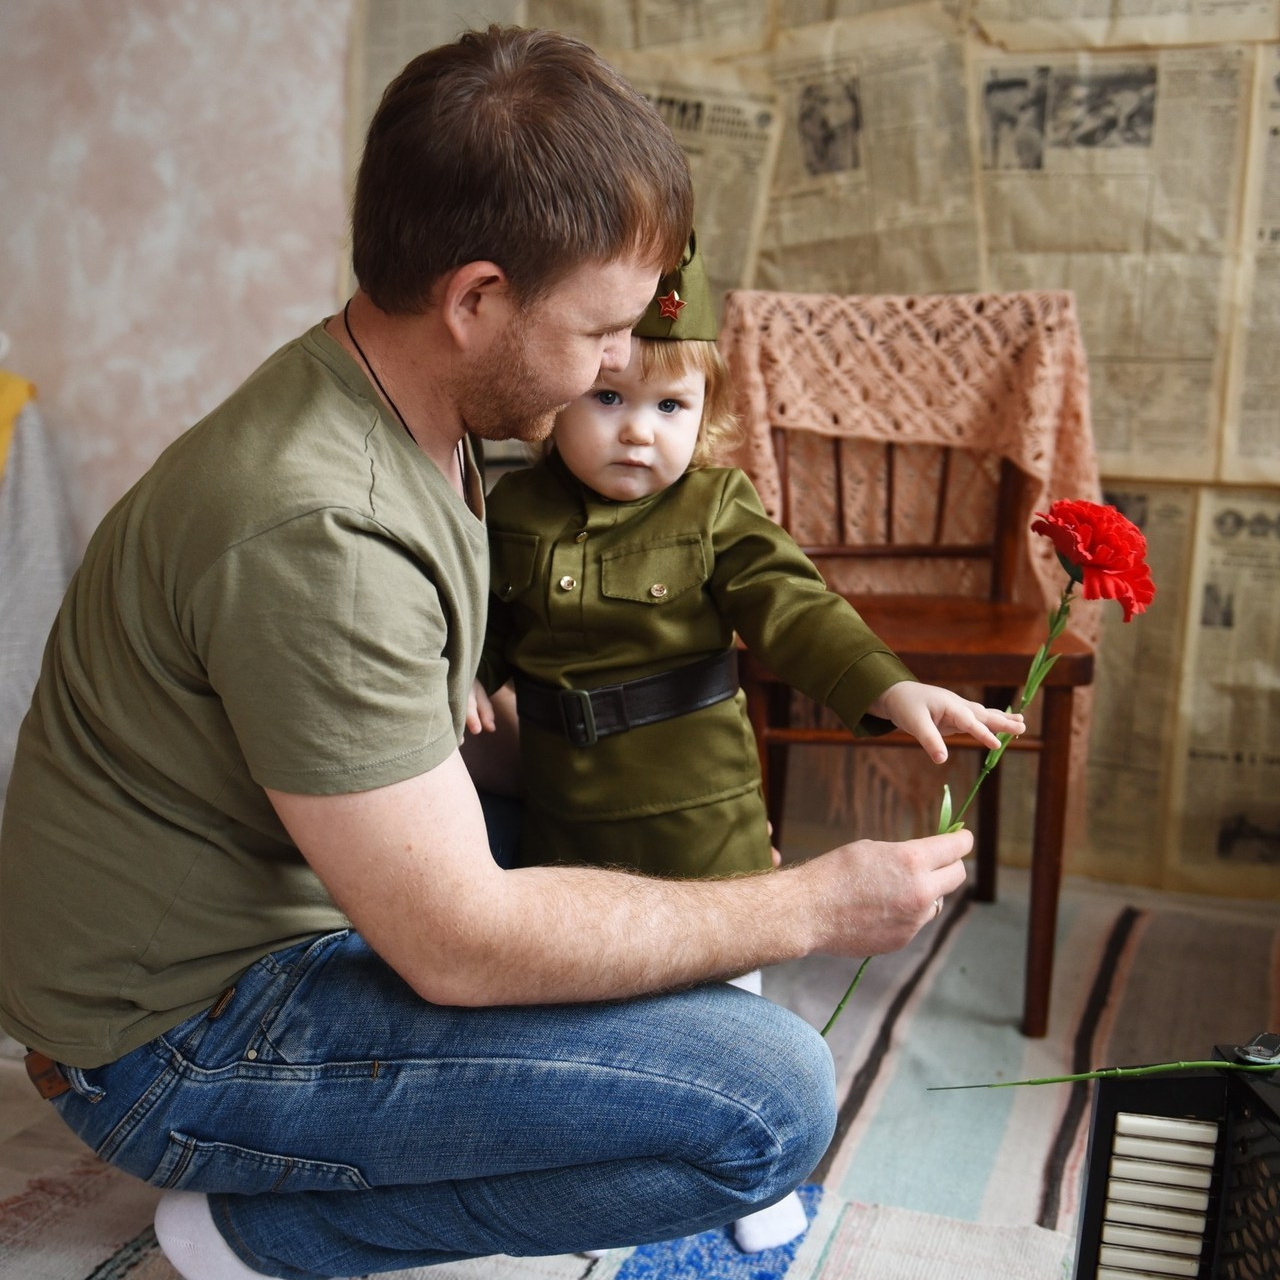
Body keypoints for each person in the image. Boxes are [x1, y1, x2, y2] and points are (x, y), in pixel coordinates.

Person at [0, 26, 975, 1280]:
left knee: (626, 874)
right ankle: (252, 1227)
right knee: (773, 1097)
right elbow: (456, 941)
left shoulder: (421, 412)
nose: (624, 364)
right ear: (474, 299)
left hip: (293, 891)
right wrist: (800, 904)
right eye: (600, 332)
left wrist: (678, 810)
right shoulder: (320, 528)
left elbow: (435, 750)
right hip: (172, 1041)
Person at [473, 234, 1024, 1251]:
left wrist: (888, 684)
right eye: (608, 401)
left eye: (668, 408)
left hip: (700, 811)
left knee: (730, 989)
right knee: (589, 1011)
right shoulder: (515, 509)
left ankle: (756, 1165)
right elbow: (489, 622)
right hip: (568, 814)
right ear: (555, 405)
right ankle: (607, 1170)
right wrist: (467, 676)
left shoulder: (715, 507)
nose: (637, 432)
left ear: (706, 419)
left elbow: (794, 609)